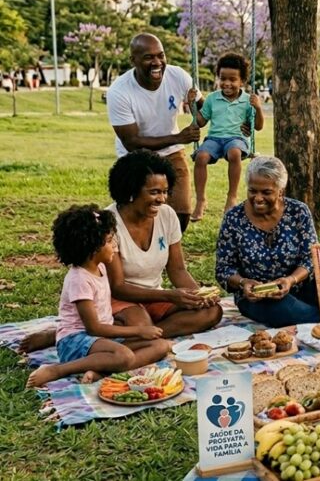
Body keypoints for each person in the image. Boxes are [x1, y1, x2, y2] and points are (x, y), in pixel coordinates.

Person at [18, 151, 224, 355]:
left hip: (154, 294)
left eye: (165, 192)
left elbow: (177, 269)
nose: (162, 199)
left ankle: (134, 337)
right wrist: (170, 295)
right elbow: (117, 287)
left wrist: (198, 296)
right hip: (119, 298)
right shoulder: (108, 225)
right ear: (131, 191)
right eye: (154, 192)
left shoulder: (167, 215)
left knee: (211, 312)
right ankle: (77, 336)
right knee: (141, 323)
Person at [26, 205, 171, 388]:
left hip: (101, 339)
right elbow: (94, 328)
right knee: (124, 356)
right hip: (75, 341)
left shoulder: (100, 268)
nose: (114, 246)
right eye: (110, 241)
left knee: (161, 346)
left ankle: (101, 370)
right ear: (93, 247)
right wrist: (138, 330)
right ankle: (57, 370)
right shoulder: (79, 279)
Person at [107, 33, 201, 233]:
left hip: (172, 153)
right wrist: (179, 137)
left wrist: (234, 112)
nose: (157, 62)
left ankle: (168, 253)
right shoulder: (119, 91)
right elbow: (131, 142)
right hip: (135, 156)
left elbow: (204, 110)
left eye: (161, 55)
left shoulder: (178, 76)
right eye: (149, 57)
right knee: (141, 212)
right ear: (134, 60)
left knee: (181, 213)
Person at [216, 156, 320, 327]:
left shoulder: (298, 212)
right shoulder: (233, 218)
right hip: (256, 298)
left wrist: (291, 280)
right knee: (285, 309)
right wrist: (243, 283)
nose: (258, 198)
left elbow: (310, 258)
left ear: (281, 191)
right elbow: (223, 268)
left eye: (266, 192)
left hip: (298, 287)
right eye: (252, 191)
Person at [188, 52, 264, 222]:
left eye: (232, 79)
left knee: (234, 153)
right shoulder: (212, 99)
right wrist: (192, 105)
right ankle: (201, 201)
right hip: (214, 139)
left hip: (236, 139)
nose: (227, 83)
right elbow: (200, 122)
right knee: (200, 157)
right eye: (223, 78)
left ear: (242, 81)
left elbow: (258, 126)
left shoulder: (247, 101)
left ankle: (232, 197)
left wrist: (258, 108)